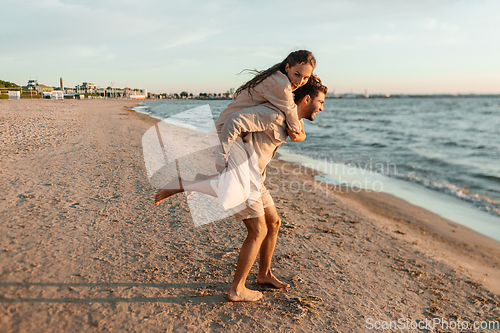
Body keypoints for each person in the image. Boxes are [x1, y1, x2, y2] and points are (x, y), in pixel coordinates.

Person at [155, 76, 328, 302]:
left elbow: (298, 134)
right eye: (321, 102)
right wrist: (225, 159)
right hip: (245, 176)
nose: (322, 108)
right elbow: (235, 121)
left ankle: (264, 274)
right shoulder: (273, 115)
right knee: (258, 231)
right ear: (307, 99)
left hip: (257, 178)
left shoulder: (291, 120)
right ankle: (237, 289)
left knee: (274, 222)